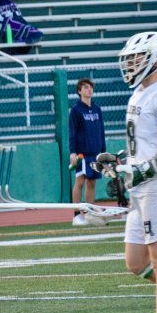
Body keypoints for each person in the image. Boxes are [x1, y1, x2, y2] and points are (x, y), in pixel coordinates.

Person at [92, 31, 157, 313]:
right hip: (142, 187)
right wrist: (118, 161)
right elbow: (146, 144)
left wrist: (141, 170)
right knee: (136, 261)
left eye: (137, 58)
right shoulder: (141, 92)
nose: (131, 64)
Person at [68, 77, 105, 226]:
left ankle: (90, 214)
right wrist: (73, 152)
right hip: (82, 154)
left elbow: (101, 132)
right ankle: (76, 215)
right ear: (79, 91)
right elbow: (73, 132)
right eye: (85, 87)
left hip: (96, 154)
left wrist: (103, 153)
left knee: (92, 183)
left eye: (90, 87)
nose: (89, 89)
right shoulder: (76, 110)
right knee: (80, 181)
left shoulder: (97, 109)